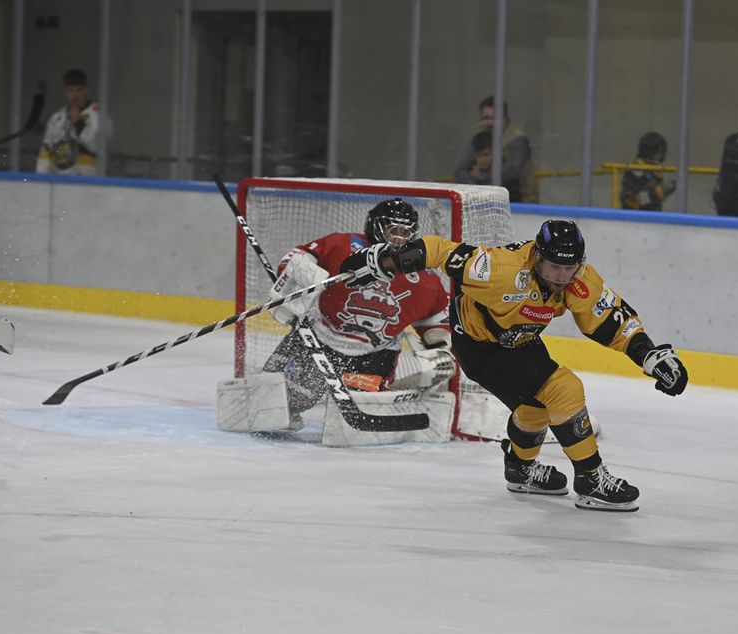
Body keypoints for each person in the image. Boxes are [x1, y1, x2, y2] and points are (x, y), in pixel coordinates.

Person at [342, 219, 689, 513]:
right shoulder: (500, 270)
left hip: (519, 341)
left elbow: (612, 320)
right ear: (537, 258)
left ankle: (520, 470)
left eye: (570, 268)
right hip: (479, 347)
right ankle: (590, 478)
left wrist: (650, 354)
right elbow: (439, 251)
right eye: (554, 267)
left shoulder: (578, 278)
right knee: (564, 389)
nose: (562, 276)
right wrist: (383, 260)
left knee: (534, 409)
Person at [258, 198, 456, 431]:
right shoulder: (342, 245)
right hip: (319, 336)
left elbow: (436, 317)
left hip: (374, 354)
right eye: (392, 229)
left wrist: (439, 343)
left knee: (363, 406)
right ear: (376, 226)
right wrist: (301, 274)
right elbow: (298, 257)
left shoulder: (424, 277)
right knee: (281, 400)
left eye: (404, 232)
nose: (398, 238)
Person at [454, 95, 538, 203]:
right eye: (486, 119)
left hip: (519, 203)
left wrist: (479, 177)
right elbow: (460, 172)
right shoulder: (480, 139)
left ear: (505, 119)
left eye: (494, 118)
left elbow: (509, 175)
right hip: (486, 202)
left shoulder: (518, 139)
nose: (489, 123)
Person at [36, 68, 103, 176]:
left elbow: (98, 145)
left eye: (78, 90)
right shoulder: (56, 119)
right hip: (60, 179)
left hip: (88, 180)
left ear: (85, 90)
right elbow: (45, 152)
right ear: (65, 91)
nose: (74, 95)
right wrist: (40, 180)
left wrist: (78, 123)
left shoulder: (98, 115)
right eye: (70, 90)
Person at [620, 131, 676, 211]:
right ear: (650, 151)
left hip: (652, 214)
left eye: (663, 152)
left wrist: (664, 191)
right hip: (635, 215)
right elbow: (631, 200)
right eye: (659, 152)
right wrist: (660, 191)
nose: (662, 155)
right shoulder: (636, 169)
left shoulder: (654, 170)